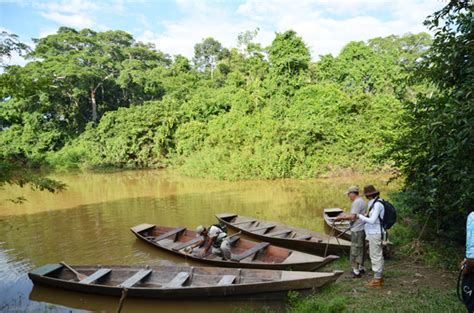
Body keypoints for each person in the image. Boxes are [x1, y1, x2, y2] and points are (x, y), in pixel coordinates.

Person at [338, 184, 385, 287]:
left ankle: (377, 279)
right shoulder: (373, 203)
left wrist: (359, 216)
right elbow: (370, 217)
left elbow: (372, 220)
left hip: (374, 233)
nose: (348, 196)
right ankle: (377, 277)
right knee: (374, 254)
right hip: (372, 232)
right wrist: (362, 216)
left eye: (349, 194)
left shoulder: (376, 205)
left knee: (374, 255)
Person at [337, 185, 366, 278]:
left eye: (349, 194)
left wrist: (341, 217)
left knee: (355, 249)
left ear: (353, 193)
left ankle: (356, 272)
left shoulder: (357, 202)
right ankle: (361, 267)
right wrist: (346, 216)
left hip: (357, 230)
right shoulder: (361, 201)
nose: (348, 196)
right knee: (361, 248)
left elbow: (353, 217)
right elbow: (355, 215)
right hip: (361, 228)